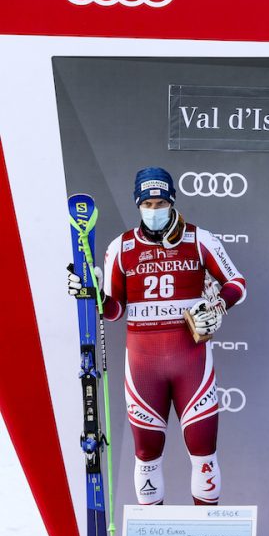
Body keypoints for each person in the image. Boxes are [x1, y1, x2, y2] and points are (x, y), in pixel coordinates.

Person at [67, 167, 247, 505]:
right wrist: (91, 295)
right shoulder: (120, 247)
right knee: (146, 454)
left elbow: (237, 283)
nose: (154, 209)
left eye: (161, 201)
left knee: (203, 450)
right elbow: (115, 310)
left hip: (190, 362)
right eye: (147, 203)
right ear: (138, 205)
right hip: (143, 366)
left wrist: (218, 306)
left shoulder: (199, 239)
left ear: (172, 201)